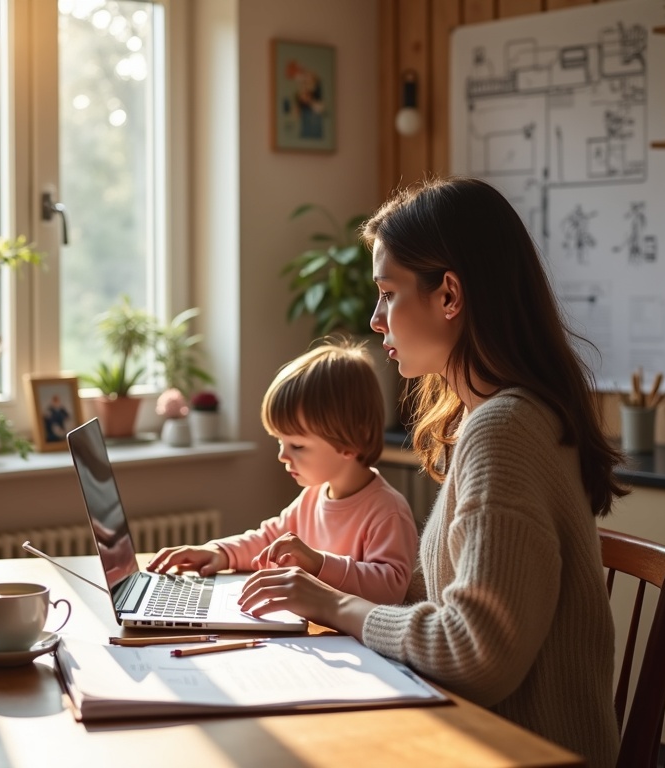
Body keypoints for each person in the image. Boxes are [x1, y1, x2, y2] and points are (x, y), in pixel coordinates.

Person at [237, 177, 625, 767]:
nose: (375, 319)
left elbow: (475, 655)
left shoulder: (505, 432)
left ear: (448, 295)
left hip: (515, 751)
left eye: (388, 293)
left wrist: (332, 604)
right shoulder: (506, 418)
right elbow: (435, 607)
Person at [147, 341, 418, 605]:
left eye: (297, 445)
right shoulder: (312, 498)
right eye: (280, 442)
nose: (282, 456)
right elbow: (268, 540)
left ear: (352, 440)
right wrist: (219, 552)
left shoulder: (387, 511)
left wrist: (318, 563)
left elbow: (390, 589)